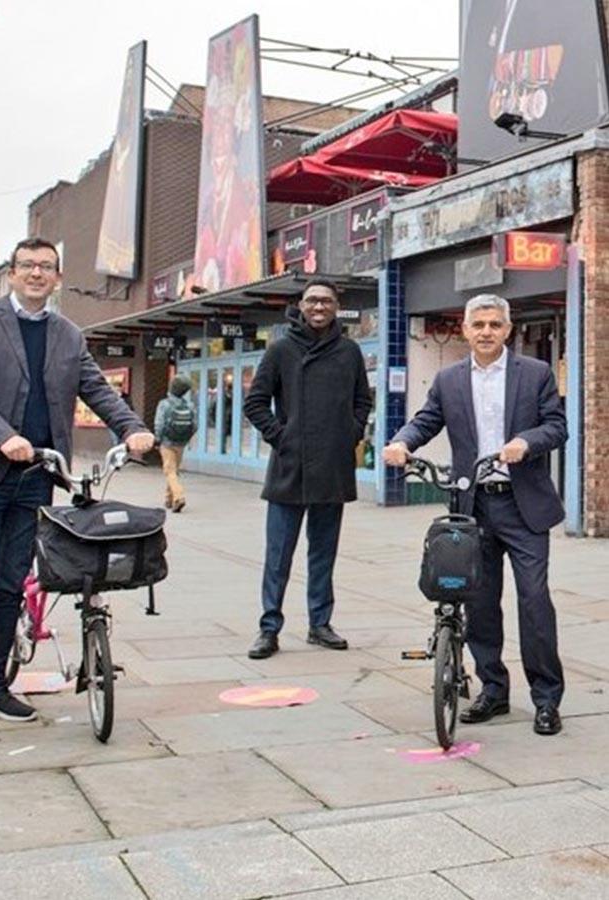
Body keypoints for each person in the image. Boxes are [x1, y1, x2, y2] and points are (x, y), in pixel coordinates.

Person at [0, 238, 155, 749]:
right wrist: (3, 436)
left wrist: (131, 428)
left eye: (47, 267)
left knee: (11, 583)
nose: (37, 273)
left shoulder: (66, 334)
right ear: (11, 273)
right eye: (27, 265)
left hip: (37, 477)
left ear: (57, 278)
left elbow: (96, 388)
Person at [382, 293, 567, 736]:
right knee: (480, 604)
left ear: (508, 329)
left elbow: (557, 425)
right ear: (465, 329)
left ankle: (546, 699)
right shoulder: (448, 380)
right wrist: (402, 442)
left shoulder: (536, 373)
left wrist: (526, 442)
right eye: (478, 324)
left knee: (534, 600)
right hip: (472, 505)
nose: (486, 332)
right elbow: (425, 420)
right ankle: (493, 691)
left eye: (494, 325)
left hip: (523, 506)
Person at [243, 277, 372, 659]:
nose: (319, 307)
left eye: (326, 302)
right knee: (278, 554)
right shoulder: (282, 350)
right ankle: (269, 628)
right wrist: (282, 438)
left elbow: (362, 401)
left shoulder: (349, 351)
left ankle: (320, 623)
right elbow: (255, 404)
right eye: (312, 300)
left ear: (336, 307)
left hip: (332, 468)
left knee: (323, 552)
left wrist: (350, 433)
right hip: (290, 468)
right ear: (301, 305)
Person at [154, 373, 197, 513]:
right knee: (173, 470)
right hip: (181, 443)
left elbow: (159, 424)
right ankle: (168, 498)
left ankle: (179, 498)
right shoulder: (189, 405)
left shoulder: (164, 404)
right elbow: (195, 425)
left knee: (169, 470)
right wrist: (186, 438)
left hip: (167, 442)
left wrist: (157, 439)